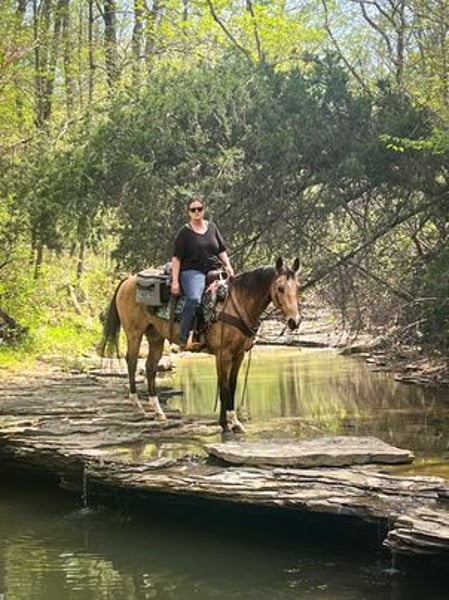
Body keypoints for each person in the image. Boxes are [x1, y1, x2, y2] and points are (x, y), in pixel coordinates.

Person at [171, 196, 234, 351]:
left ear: (204, 210)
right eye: (193, 210)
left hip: (214, 270)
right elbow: (176, 258)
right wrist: (175, 281)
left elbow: (221, 250)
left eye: (199, 209)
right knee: (194, 299)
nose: (197, 212)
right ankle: (184, 337)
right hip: (193, 271)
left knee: (232, 295)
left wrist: (228, 266)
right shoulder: (185, 232)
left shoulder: (212, 227)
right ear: (189, 212)